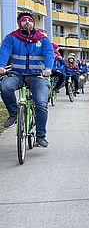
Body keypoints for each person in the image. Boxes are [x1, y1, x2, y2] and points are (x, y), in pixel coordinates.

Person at [0, 12, 54, 147]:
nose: (27, 22)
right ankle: (13, 113)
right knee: (5, 87)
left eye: (29, 20)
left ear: (33, 23)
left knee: (41, 103)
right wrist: (1, 66)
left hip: (37, 76)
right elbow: (4, 51)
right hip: (16, 74)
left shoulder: (42, 39)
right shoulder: (11, 38)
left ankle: (40, 136)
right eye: (24, 20)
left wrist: (48, 68)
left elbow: (49, 54)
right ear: (19, 23)